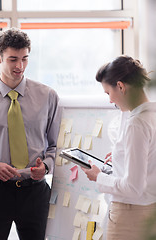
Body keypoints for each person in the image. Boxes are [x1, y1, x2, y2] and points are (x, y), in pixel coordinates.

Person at [0, 28, 61, 240]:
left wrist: (46, 166)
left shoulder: (48, 96)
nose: (20, 66)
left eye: (25, 59)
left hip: (36, 192)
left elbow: (57, 145)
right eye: (13, 59)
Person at [81, 55, 156, 240]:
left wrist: (99, 177)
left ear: (121, 86)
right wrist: (121, 156)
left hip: (130, 215)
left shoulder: (136, 124)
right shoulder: (151, 115)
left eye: (108, 93)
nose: (109, 100)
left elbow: (133, 187)